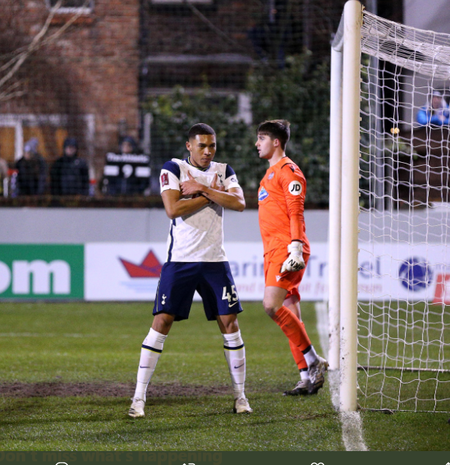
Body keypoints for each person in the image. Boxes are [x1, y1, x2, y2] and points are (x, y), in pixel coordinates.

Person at [129, 123, 252, 418]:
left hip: (214, 261)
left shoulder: (224, 169)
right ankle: (138, 398)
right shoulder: (172, 168)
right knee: (162, 322)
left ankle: (241, 397)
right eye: (202, 146)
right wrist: (211, 194)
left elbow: (239, 203)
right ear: (189, 146)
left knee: (230, 323)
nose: (208, 152)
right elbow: (173, 209)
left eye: (212, 146)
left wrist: (203, 188)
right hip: (181, 260)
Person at [255, 119, 328, 396]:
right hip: (274, 249)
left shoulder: (289, 171)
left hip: (287, 249)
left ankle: (313, 362)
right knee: (292, 315)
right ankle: (306, 377)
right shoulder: (269, 175)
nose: (257, 143)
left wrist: (295, 248)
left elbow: (296, 212)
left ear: (276, 142)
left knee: (271, 306)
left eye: (261, 138)